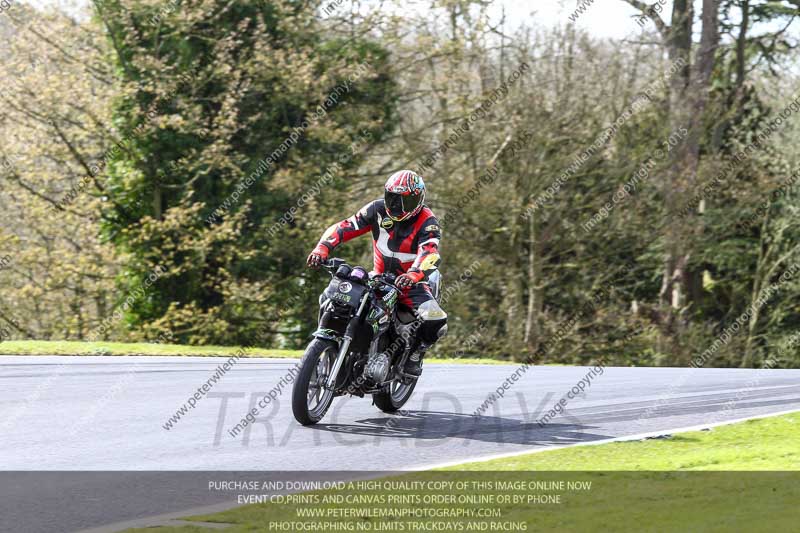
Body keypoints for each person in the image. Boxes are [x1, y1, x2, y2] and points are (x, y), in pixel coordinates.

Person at [307, 170, 447, 376]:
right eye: (392, 198)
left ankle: (415, 353)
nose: (397, 206)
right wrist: (322, 248)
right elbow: (346, 226)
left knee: (435, 319)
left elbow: (429, 252)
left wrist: (414, 275)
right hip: (378, 277)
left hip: (411, 283)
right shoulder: (376, 209)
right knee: (333, 296)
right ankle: (334, 342)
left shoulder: (428, 221)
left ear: (418, 200)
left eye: (404, 201)